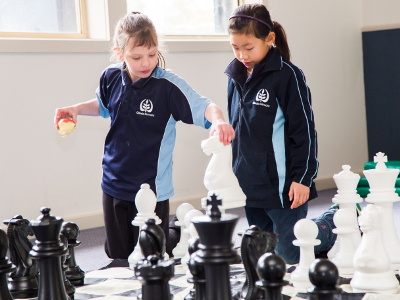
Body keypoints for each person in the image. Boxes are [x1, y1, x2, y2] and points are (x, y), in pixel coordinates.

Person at [54, 12, 235, 259]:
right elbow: (103, 105)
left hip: (152, 187)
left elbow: (206, 106)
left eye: (152, 54)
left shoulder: (168, 86)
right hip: (114, 182)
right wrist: (75, 110)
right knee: (118, 254)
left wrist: (219, 121)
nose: (146, 63)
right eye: (136, 57)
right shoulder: (110, 76)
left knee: (152, 253)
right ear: (120, 54)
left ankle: (178, 231)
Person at [225, 4, 337, 264]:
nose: (242, 54)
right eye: (235, 47)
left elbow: (305, 131)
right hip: (251, 184)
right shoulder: (234, 77)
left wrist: (303, 178)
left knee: (290, 257)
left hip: (286, 186)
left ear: (269, 39)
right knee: (264, 259)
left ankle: (334, 221)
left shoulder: (289, 76)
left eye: (248, 47)